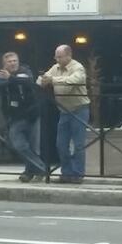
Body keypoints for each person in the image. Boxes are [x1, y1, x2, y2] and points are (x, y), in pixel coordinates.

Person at [0, 52, 46, 182]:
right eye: (9, 61)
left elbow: (29, 82)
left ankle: (29, 173)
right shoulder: (1, 74)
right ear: (4, 64)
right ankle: (41, 168)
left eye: (15, 60)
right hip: (15, 117)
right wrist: (11, 80)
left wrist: (10, 79)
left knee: (33, 147)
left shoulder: (25, 70)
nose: (13, 63)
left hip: (32, 114)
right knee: (18, 145)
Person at [39, 45, 90, 184]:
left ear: (69, 56)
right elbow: (41, 80)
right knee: (61, 144)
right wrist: (43, 80)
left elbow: (75, 80)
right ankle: (66, 173)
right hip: (64, 111)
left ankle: (78, 174)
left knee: (79, 144)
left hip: (79, 109)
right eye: (56, 56)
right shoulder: (55, 68)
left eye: (59, 57)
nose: (57, 59)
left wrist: (53, 80)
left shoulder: (77, 67)